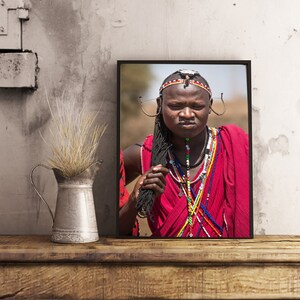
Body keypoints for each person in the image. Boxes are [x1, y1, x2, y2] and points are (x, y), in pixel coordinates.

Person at [120, 69, 250, 238]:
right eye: (175, 106)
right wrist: (134, 202)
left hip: (224, 259)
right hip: (164, 261)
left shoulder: (234, 147)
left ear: (210, 106)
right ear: (160, 104)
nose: (187, 114)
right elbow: (114, 229)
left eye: (196, 106)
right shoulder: (143, 153)